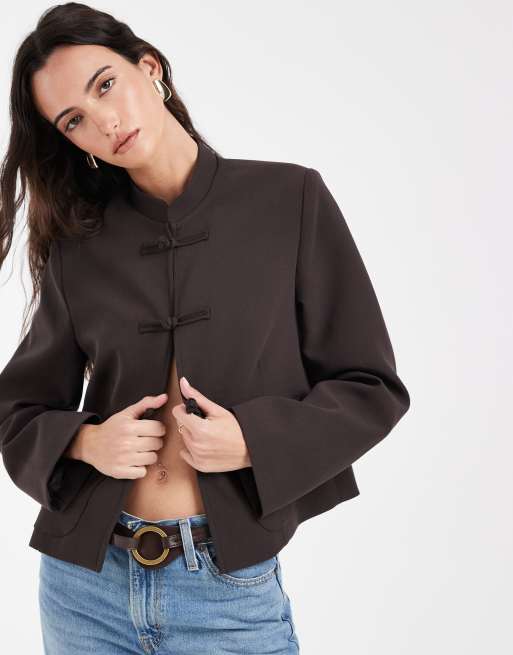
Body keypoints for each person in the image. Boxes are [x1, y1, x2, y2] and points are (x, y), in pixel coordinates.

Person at [0, 3, 410, 654]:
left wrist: (254, 440)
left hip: (225, 591)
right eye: (73, 120)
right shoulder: (79, 249)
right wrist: (86, 442)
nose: (104, 122)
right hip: (85, 590)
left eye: (105, 84)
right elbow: (16, 410)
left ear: (150, 68)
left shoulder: (289, 201)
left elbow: (371, 386)